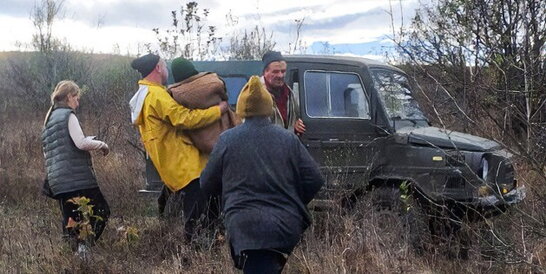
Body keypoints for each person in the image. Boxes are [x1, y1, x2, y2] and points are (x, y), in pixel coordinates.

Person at [200, 76, 324, 273]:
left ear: (241, 109)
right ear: (268, 107)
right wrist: (292, 201)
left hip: (245, 227)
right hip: (286, 225)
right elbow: (315, 179)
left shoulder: (226, 140)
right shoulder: (288, 139)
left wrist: (228, 201)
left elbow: (206, 183)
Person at [129, 53, 229, 241]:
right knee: (197, 218)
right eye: (164, 66)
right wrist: (218, 110)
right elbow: (185, 118)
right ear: (158, 68)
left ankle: (206, 246)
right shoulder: (157, 95)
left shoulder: (143, 95)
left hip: (174, 168)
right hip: (187, 167)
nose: (167, 70)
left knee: (203, 212)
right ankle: (194, 255)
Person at [41, 80, 110, 255]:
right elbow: (80, 143)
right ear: (69, 97)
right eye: (76, 98)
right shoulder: (67, 115)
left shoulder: (48, 120)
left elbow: (48, 153)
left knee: (71, 221)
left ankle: (73, 259)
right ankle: (84, 249)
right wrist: (102, 144)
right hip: (77, 179)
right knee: (102, 211)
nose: (77, 103)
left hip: (58, 181)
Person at [260, 50, 306, 135]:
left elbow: (293, 119)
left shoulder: (289, 94)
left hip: (285, 145)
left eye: (283, 71)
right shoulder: (256, 95)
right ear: (265, 72)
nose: (280, 75)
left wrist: (295, 125)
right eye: (275, 72)